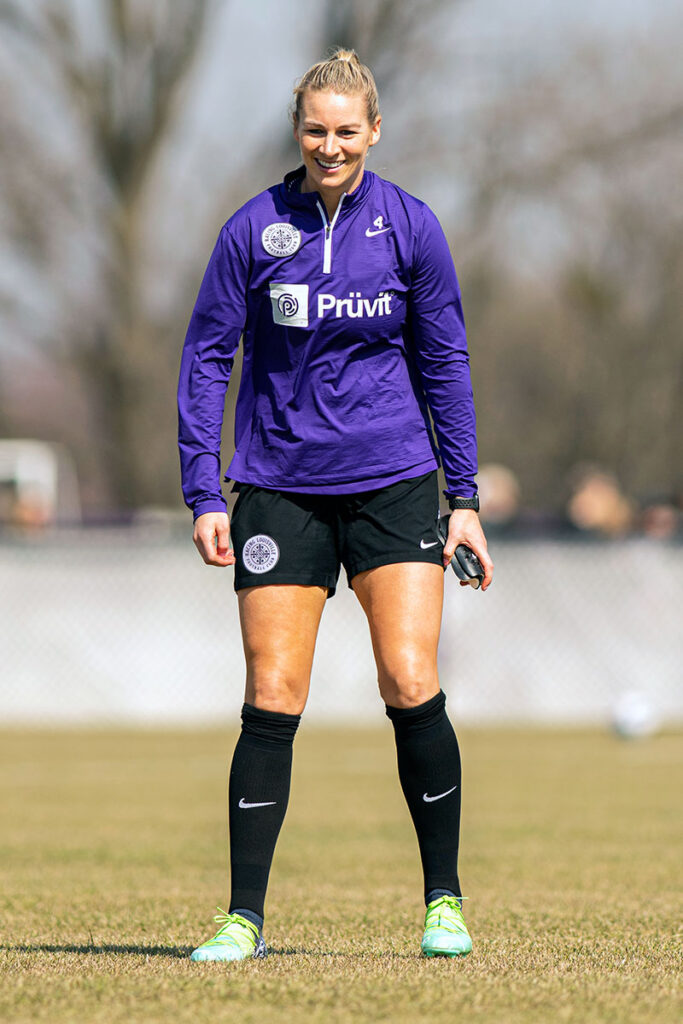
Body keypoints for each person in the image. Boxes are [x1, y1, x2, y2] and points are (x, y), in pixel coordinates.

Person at [177, 48, 493, 963]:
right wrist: (205, 486)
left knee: (408, 679)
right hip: (277, 489)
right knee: (272, 693)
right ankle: (242, 918)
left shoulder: (411, 229)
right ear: (296, 130)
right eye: (315, 129)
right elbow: (206, 359)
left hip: (395, 483)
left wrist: (462, 497)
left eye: (346, 130)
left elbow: (445, 364)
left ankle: (443, 902)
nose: (330, 144)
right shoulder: (251, 229)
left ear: (374, 131)